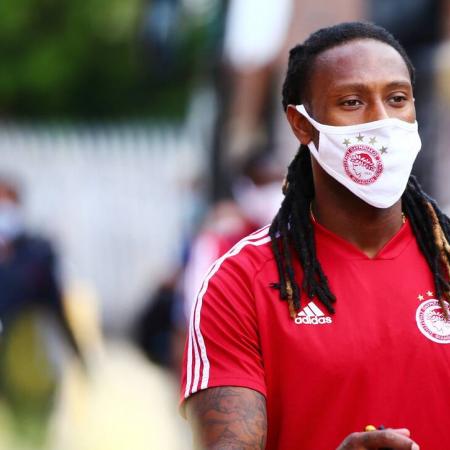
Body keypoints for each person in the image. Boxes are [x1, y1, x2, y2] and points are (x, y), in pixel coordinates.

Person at [180, 21, 450, 450]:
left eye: (397, 99)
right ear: (301, 125)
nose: (381, 121)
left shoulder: (445, 260)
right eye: (352, 102)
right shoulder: (241, 283)